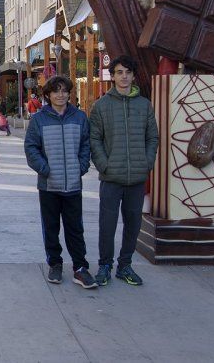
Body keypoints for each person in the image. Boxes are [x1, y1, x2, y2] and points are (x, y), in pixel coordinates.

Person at [89, 56, 158, 289]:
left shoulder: (144, 105)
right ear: (113, 76)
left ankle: (125, 265)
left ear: (133, 75)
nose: (124, 76)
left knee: (133, 225)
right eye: (119, 72)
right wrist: (104, 165)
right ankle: (105, 266)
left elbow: (152, 137)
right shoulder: (101, 106)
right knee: (107, 225)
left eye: (128, 72)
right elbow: (94, 139)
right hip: (111, 178)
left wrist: (147, 162)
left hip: (136, 177)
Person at [24, 75, 94, 289]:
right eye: (56, 91)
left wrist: (81, 166)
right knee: (51, 227)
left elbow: (86, 144)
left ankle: (80, 268)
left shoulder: (79, 117)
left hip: (73, 184)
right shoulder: (39, 119)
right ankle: (55, 263)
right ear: (48, 95)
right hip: (49, 185)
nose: (61, 95)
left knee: (75, 228)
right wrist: (44, 169)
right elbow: (31, 147)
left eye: (64, 91)